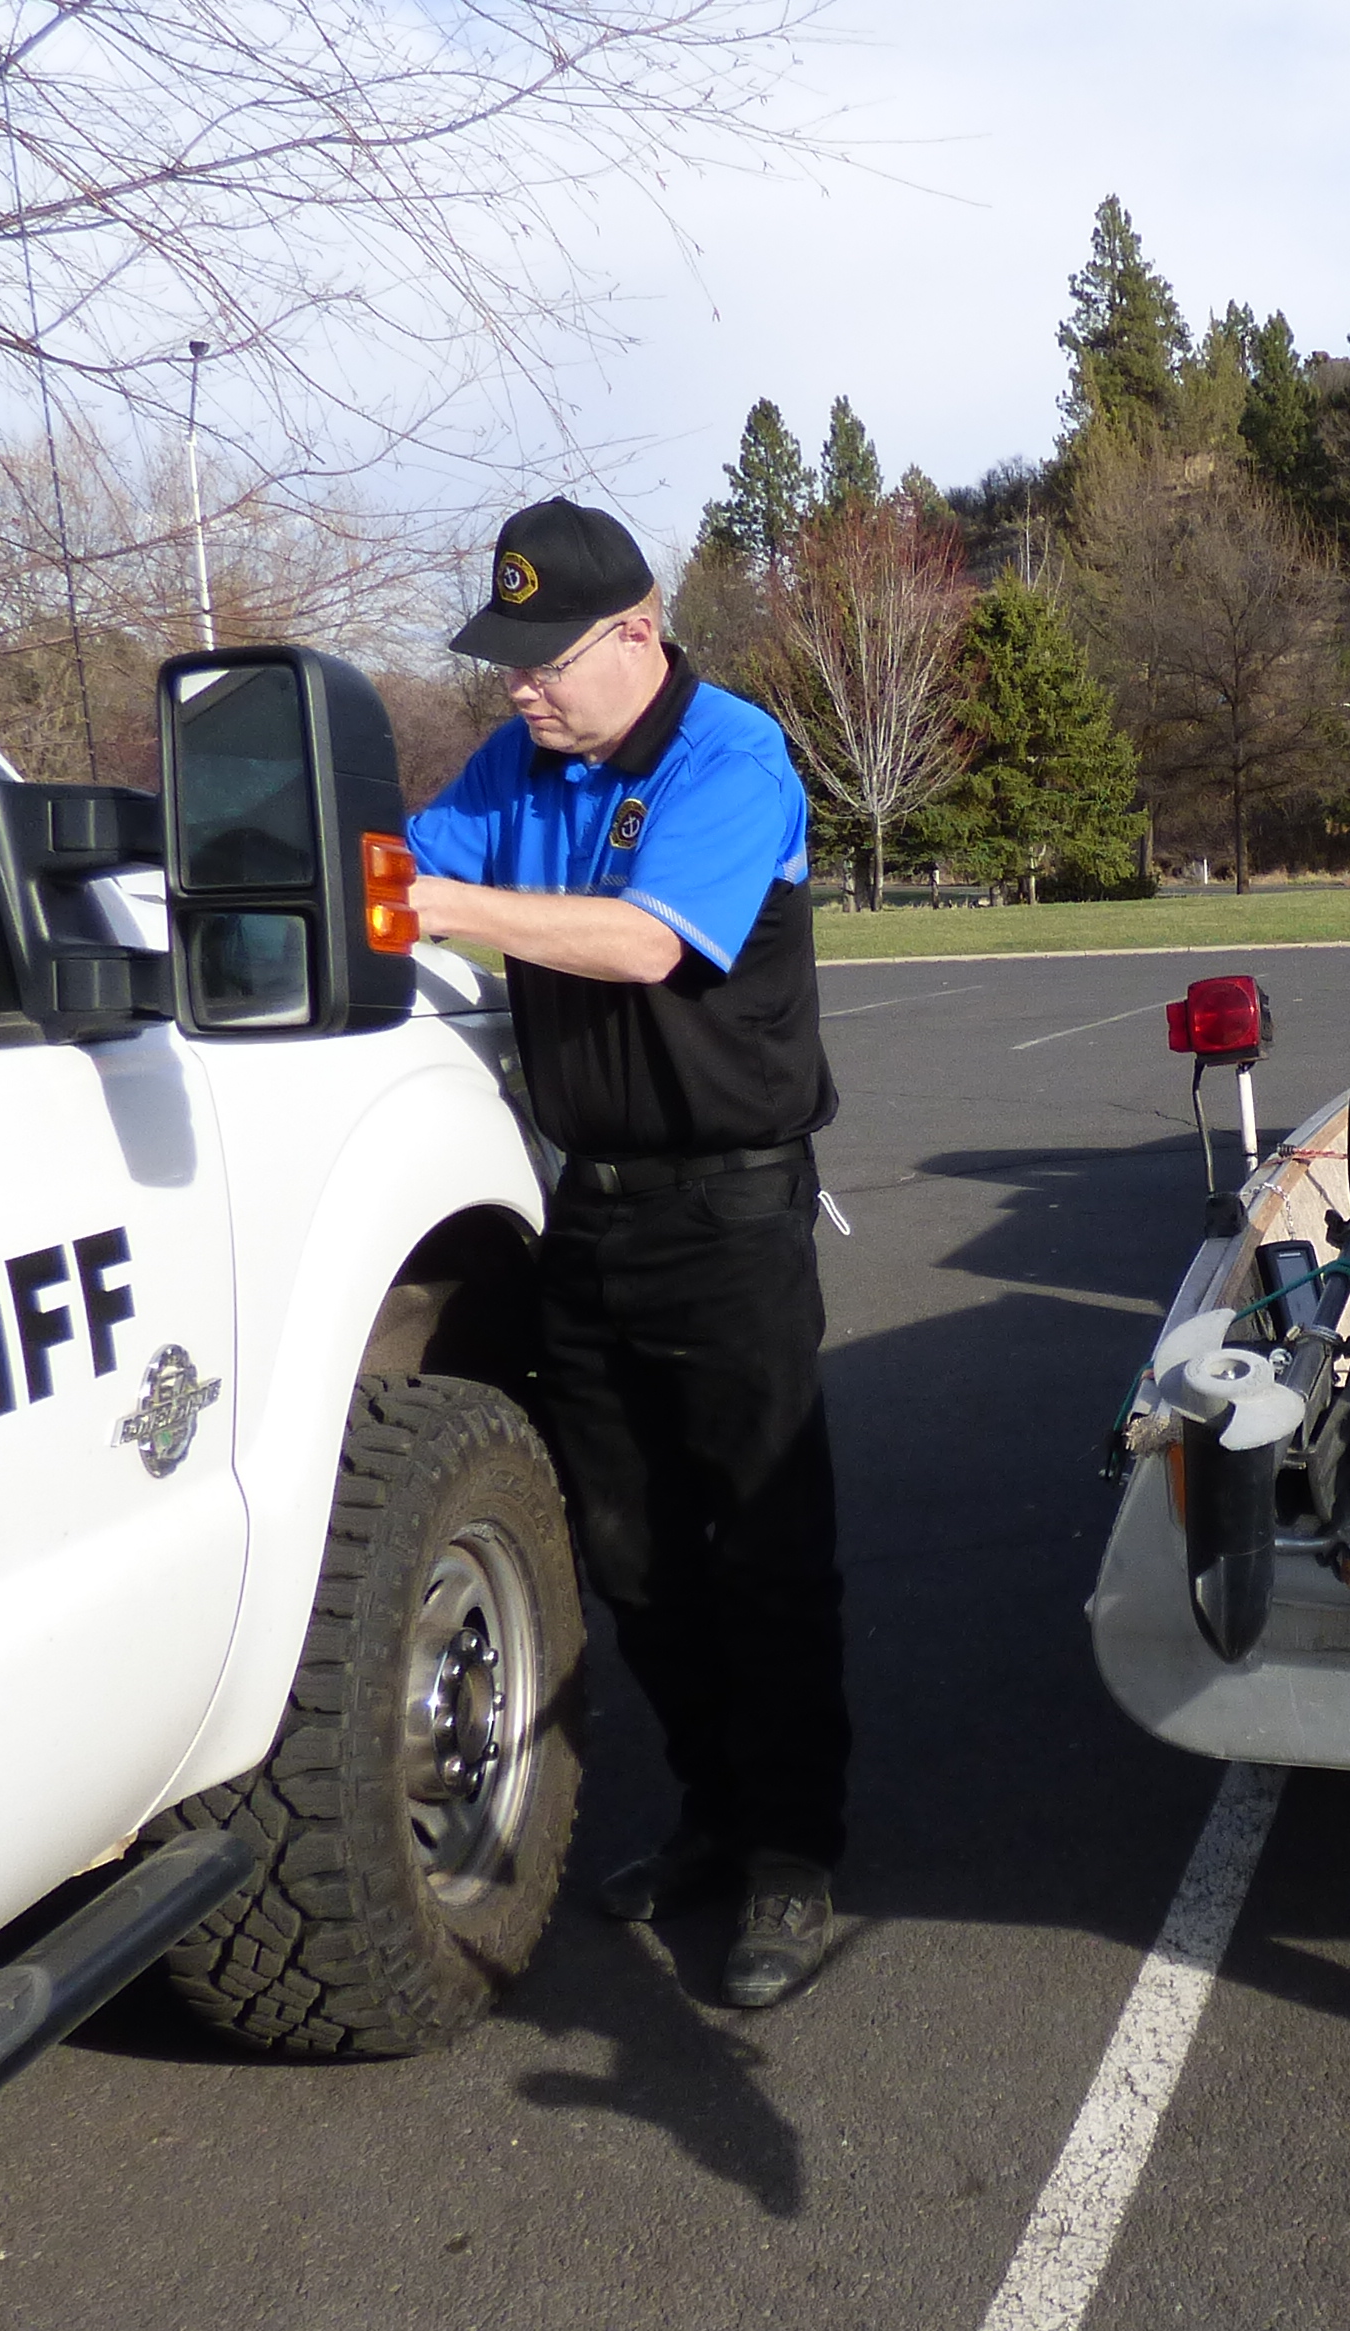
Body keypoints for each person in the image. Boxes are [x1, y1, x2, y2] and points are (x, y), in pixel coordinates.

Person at [402, 496, 854, 2009]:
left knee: (763, 1545)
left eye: (545, 659)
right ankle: (717, 1812)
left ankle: (795, 1851)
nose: (518, 687)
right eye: (504, 660)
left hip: (728, 1214)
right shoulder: (519, 766)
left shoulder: (732, 751)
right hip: (588, 1208)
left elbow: (647, 942)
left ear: (637, 632)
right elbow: (408, 860)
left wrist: (442, 905)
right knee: (632, 1554)